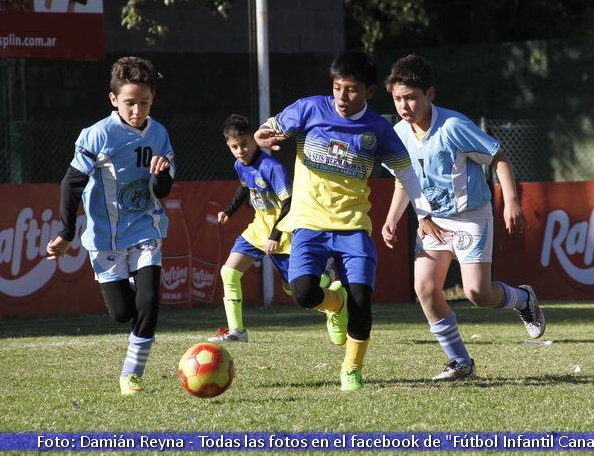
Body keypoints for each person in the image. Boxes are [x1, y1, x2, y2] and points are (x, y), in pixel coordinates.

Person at [254, 50, 447, 391]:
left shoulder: (378, 129)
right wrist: (261, 136)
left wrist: (423, 213)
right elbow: (267, 129)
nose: (342, 97)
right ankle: (334, 303)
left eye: (352, 89)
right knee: (302, 293)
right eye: (337, 88)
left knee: (361, 299)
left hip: (354, 226)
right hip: (308, 223)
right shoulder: (310, 109)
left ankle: (352, 369)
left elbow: (405, 171)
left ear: (370, 91)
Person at [381, 54, 546, 381]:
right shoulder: (398, 134)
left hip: (471, 217)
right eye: (398, 98)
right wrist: (392, 217)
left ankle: (524, 299)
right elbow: (405, 179)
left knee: (478, 294)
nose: (404, 105)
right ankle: (460, 362)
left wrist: (510, 199)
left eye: (411, 97)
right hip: (432, 221)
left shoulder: (453, 126)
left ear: (430, 94)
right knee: (425, 290)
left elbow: (498, 156)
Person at [46, 56, 175, 395]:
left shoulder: (159, 134)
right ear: (114, 99)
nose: (137, 110)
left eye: (144, 103)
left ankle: (131, 375)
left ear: (153, 100)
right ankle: (128, 296)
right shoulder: (97, 135)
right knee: (122, 313)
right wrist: (66, 232)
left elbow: (162, 189)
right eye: (130, 103)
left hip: (147, 228)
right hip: (105, 236)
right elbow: (71, 184)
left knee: (150, 301)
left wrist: (161, 175)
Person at [207, 114, 330, 343]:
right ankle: (237, 332)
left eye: (244, 144)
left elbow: (289, 202)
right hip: (258, 229)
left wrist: (276, 234)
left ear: (254, 140)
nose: (240, 150)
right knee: (229, 272)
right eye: (234, 147)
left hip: (283, 230)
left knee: (293, 289)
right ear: (228, 146)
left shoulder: (272, 167)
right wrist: (228, 211)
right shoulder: (239, 165)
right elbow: (244, 188)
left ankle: (324, 280)